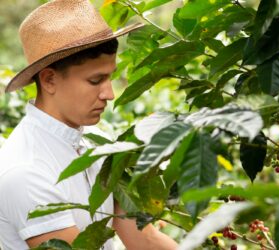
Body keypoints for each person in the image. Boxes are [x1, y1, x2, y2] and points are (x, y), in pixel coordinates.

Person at [0, 0, 178, 249]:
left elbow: (143, 238)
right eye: (96, 80)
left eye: (110, 77)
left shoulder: (94, 139)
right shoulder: (27, 172)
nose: (110, 94)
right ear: (49, 80)